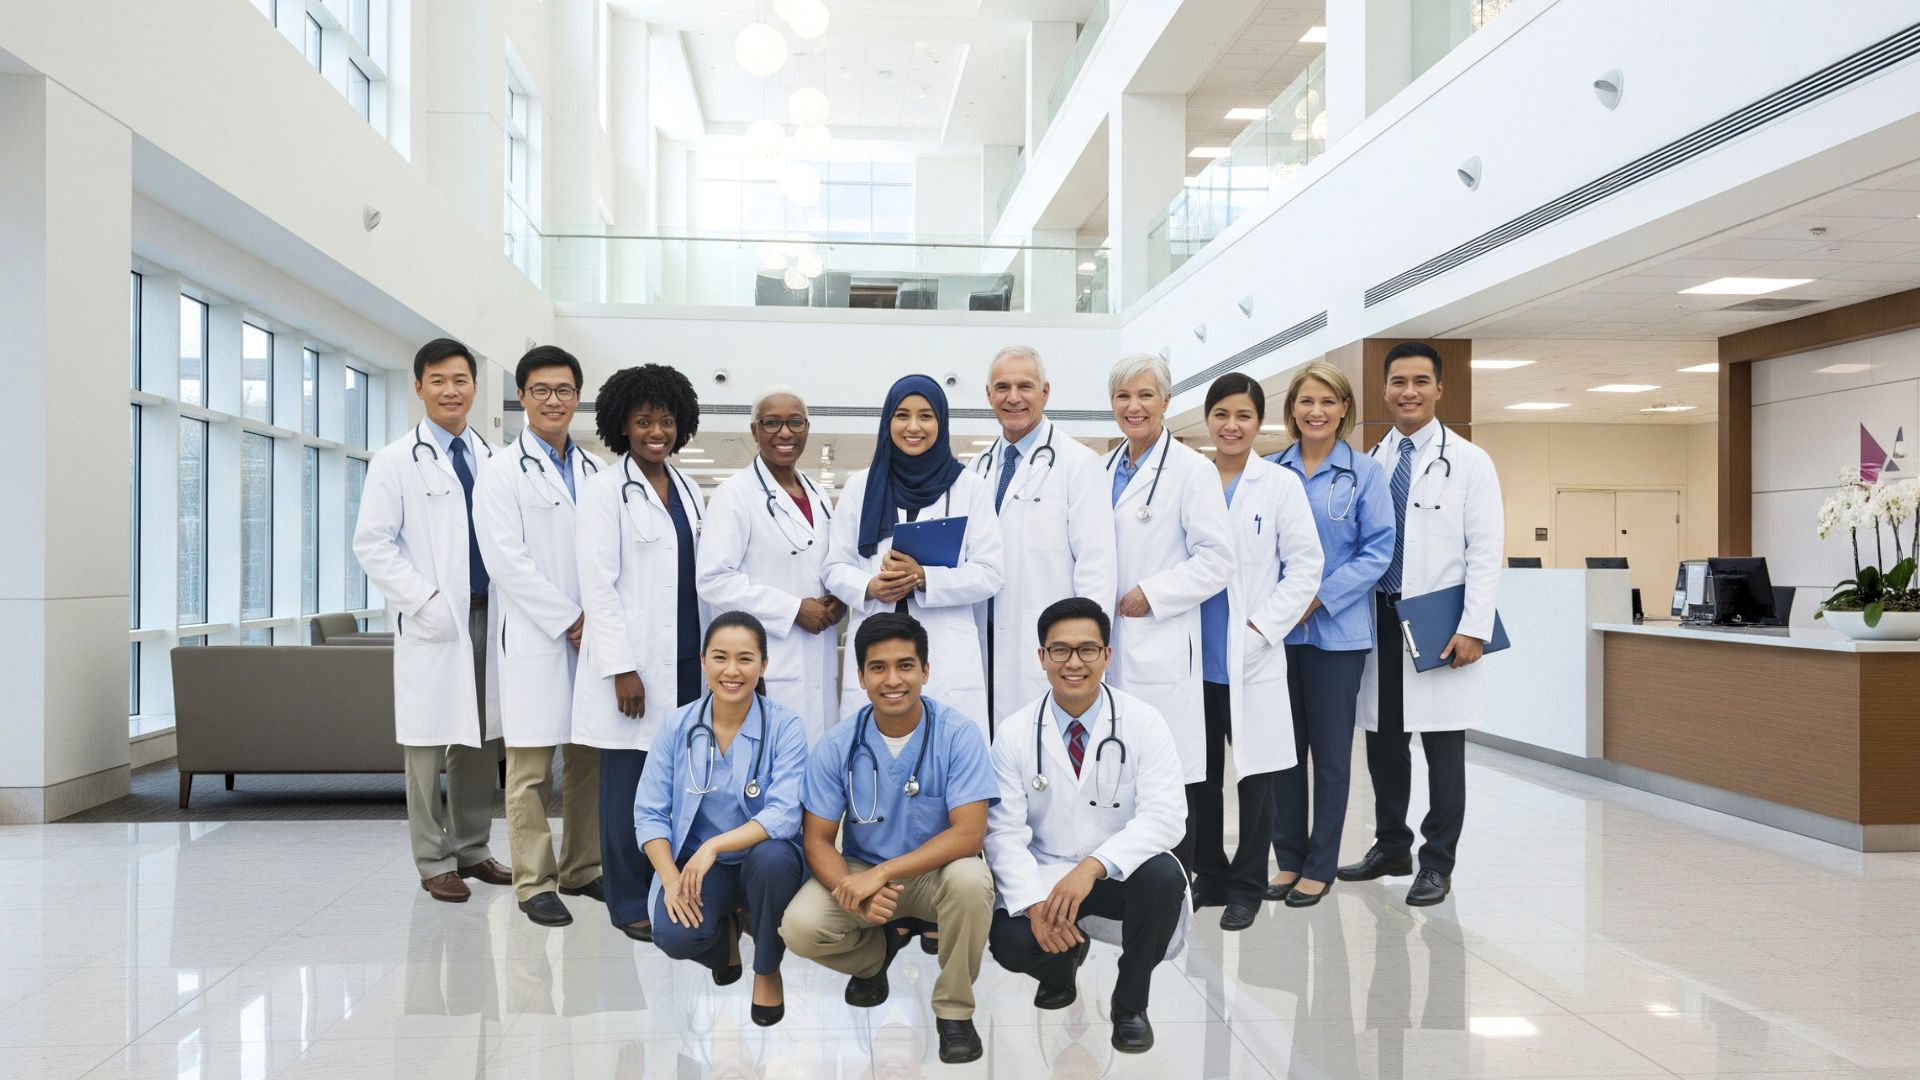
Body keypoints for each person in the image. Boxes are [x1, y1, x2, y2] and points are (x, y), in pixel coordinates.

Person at [778, 613, 998, 1065]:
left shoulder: (959, 735)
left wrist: (883, 874)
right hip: (863, 871)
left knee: (972, 881)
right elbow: (817, 839)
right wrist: (850, 888)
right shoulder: (838, 744)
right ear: (860, 677)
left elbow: (969, 833)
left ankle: (954, 1011)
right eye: (878, 667)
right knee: (800, 927)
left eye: (905, 665)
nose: (893, 680)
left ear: (926, 671)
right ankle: (875, 958)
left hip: (937, 875)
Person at [983, 597, 1188, 1054]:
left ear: (1107, 655)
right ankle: (1061, 967)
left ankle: (1130, 1004)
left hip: (1119, 871)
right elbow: (1002, 833)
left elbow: (1167, 815)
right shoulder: (1014, 732)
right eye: (1060, 650)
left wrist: (1094, 865)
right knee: (1009, 943)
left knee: (1163, 878)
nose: (1074, 663)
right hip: (1046, 873)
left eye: (1087, 650)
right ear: (1042, 657)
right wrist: (1033, 906)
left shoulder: (1145, 722)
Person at [1342, 341, 1504, 907]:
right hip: (1379, 620)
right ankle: (1391, 845)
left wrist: (1474, 627)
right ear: (1384, 390)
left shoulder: (1470, 461)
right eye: (1398, 382)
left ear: (1438, 388)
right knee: (1384, 744)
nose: (1408, 392)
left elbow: (1486, 550)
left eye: (1419, 382)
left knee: (1442, 748)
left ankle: (1437, 862)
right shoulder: (1371, 461)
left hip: (1439, 622)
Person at [352, 337, 511, 902]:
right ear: (418, 387)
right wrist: (424, 600)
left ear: (475, 387)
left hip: (491, 615)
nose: (450, 390)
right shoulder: (395, 460)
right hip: (436, 619)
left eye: (460, 380)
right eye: (438, 380)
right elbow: (372, 544)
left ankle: (473, 848)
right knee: (425, 745)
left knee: (479, 740)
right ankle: (432, 859)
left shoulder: (495, 459)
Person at [572, 363, 709, 941]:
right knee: (628, 784)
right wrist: (622, 668)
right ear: (621, 425)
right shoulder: (605, 491)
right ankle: (628, 900)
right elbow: (598, 586)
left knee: (680, 781)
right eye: (645, 421)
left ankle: (671, 888)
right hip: (636, 664)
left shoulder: (690, 490)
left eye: (667, 421)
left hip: (687, 658)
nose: (657, 431)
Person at [473, 345, 606, 926]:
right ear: (523, 397)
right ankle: (534, 881)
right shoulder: (501, 471)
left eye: (565, 390)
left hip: (593, 636)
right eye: (542, 390)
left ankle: (582, 867)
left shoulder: (597, 471)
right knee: (529, 770)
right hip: (538, 636)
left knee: (588, 758)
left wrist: (598, 619)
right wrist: (569, 618)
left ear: (578, 397)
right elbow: (506, 561)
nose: (554, 400)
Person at [1191, 374, 1322, 931]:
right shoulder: (1190, 479)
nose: (1231, 425)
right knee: (1199, 777)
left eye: (1243, 415)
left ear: (1259, 421)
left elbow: (1306, 567)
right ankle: (1209, 875)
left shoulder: (1279, 485)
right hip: (1192, 654)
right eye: (1221, 414)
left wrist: (1260, 626)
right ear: (1207, 419)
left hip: (1250, 653)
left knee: (1256, 780)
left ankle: (1246, 885)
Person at [635, 612, 810, 1027]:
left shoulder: (785, 726)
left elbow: (785, 814)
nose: (732, 671)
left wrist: (714, 846)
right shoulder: (677, 726)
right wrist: (671, 879)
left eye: (745, 659)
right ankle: (725, 938)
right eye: (720, 657)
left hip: (762, 862)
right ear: (703, 661)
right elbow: (649, 813)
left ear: (763, 665)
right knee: (674, 936)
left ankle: (767, 969)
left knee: (772, 859)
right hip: (698, 869)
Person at [1101, 353, 1235, 874]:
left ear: (1166, 401)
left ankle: (1173, 887)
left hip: (1160, 642)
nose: (1133, 407)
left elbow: (1218, 560)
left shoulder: (1192, 471)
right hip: (1108, 644)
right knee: (1116, 773)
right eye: (1123, 396)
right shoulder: (1104, 469)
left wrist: (1152, 594)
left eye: (1145, 395)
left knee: (1165, 781)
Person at [1267, 362, 1394, 907]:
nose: (1316, 411)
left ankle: (1320, 866)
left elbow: (1377, 552)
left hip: (1337, 636)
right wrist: (1280, 606)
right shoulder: (1269, 471)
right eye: (1306, 401)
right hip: (1278, 635)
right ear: (1292, 409)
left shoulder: (1365, 473)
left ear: (1344, 409)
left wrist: (1315, 598)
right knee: (1283, 753)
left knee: (1332, 757)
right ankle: (1288, 859)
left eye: (1327, 401)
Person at [824, 374, 1004, 732]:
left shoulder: (970, 488)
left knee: (948, 751)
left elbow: (990, 572)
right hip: (877, 636)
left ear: (941, 421)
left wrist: (925, 579)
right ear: (887, 420)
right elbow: (834, 566)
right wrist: (869, 586)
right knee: (873, 750)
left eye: (926, 416)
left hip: (944, 649)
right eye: (902, 415)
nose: (913, 427)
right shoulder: (860, 487)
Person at [970, 347, 1116, 732]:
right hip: (983, 640)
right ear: (988, 394)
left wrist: (1086, 648)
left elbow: (1097, 565)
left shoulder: (1079, 464)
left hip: (1049, 645)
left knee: (1048, 746)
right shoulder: (977, 468)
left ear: (1045, 392)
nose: (1013, 397)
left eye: (1025, 386)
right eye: (1003, 387)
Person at [695, 386, 843, 743]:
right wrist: (793, 609)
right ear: (755, 431)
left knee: (818, 756)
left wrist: (839, 598)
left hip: (818, 654)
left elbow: (826, 562)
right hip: (770, 657)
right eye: (772, 423)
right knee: (769, 756)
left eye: (795, 422)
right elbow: (713, 579)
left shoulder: (818, 494)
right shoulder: (734, 494)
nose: (785, 433)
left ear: (807, 428)